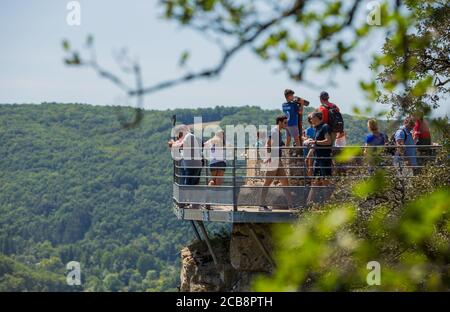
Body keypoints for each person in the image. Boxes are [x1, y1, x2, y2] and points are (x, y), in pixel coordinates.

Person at [259, 115, 295, 211]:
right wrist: (269, 157)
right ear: (279, 122)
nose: (286, 124)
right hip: (274, 160)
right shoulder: (275, 131)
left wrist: (289, 136)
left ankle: (291, 205)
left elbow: (284, 146)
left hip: (277, 160)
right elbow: (269, 143)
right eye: (285, 122)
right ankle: (261, 205)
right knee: (268, 182)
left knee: (285, 181)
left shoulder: (278, 132)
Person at [304, 112, 333, 205]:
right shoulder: (317, 128)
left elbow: (328, 141)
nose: (310, 120)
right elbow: (316, 144)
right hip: (318, 159)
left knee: (325, 182)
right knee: (315, 182)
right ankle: (308, 205)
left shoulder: (325, 127)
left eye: (312, 118)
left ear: (317, 117)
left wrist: (315, 142)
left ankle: (328, 205)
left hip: (324, 158)